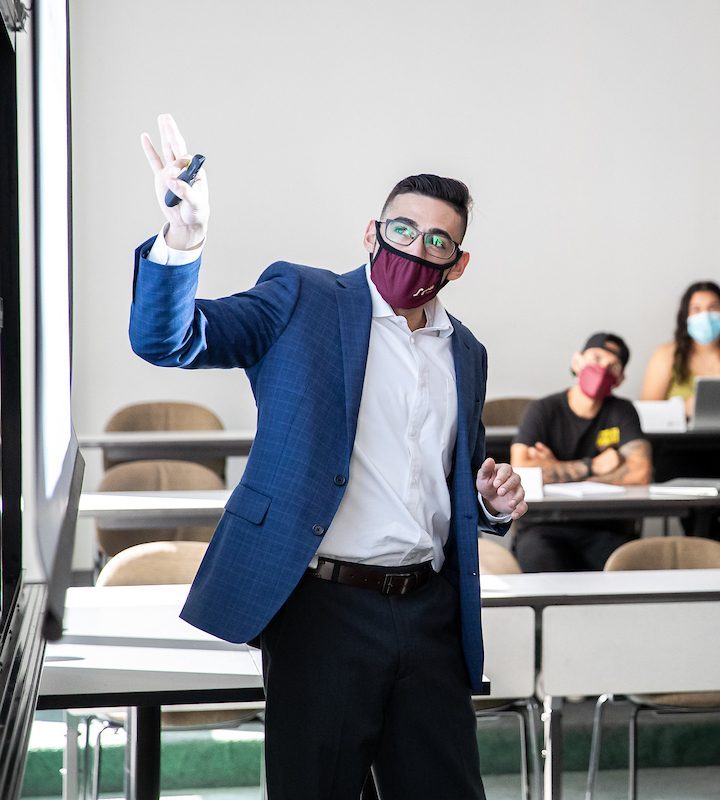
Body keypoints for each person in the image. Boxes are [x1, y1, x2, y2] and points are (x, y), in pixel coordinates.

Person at [129, 114, 527, 799]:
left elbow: (458, 481)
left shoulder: (467, 353)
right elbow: (172, 341)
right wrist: (183, 238)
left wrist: (490, 504)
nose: (416, 248)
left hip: (429, 612)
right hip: (323, 610)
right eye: (402, 230)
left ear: (458, 264)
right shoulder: (302, 299)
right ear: (371, 234)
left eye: (438, 241)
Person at [511, 333, 652, 571]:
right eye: (596, 358)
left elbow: (640, 472)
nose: (602, 369)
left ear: (619, 379)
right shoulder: (542, 410)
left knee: (630, 570)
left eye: (612, 366)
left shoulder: (623, 412)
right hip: (543, 529)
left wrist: (555, 468)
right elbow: (523, 471)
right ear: (577, 362)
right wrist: (593, 466)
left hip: (606, 528)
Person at [640, 281, 720, 417]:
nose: (705, 316)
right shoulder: (665, 355)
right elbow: (647, 413)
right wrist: (682, 409)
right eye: (696, 309)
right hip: (682, 437)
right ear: (686, 316)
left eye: (713, 308)